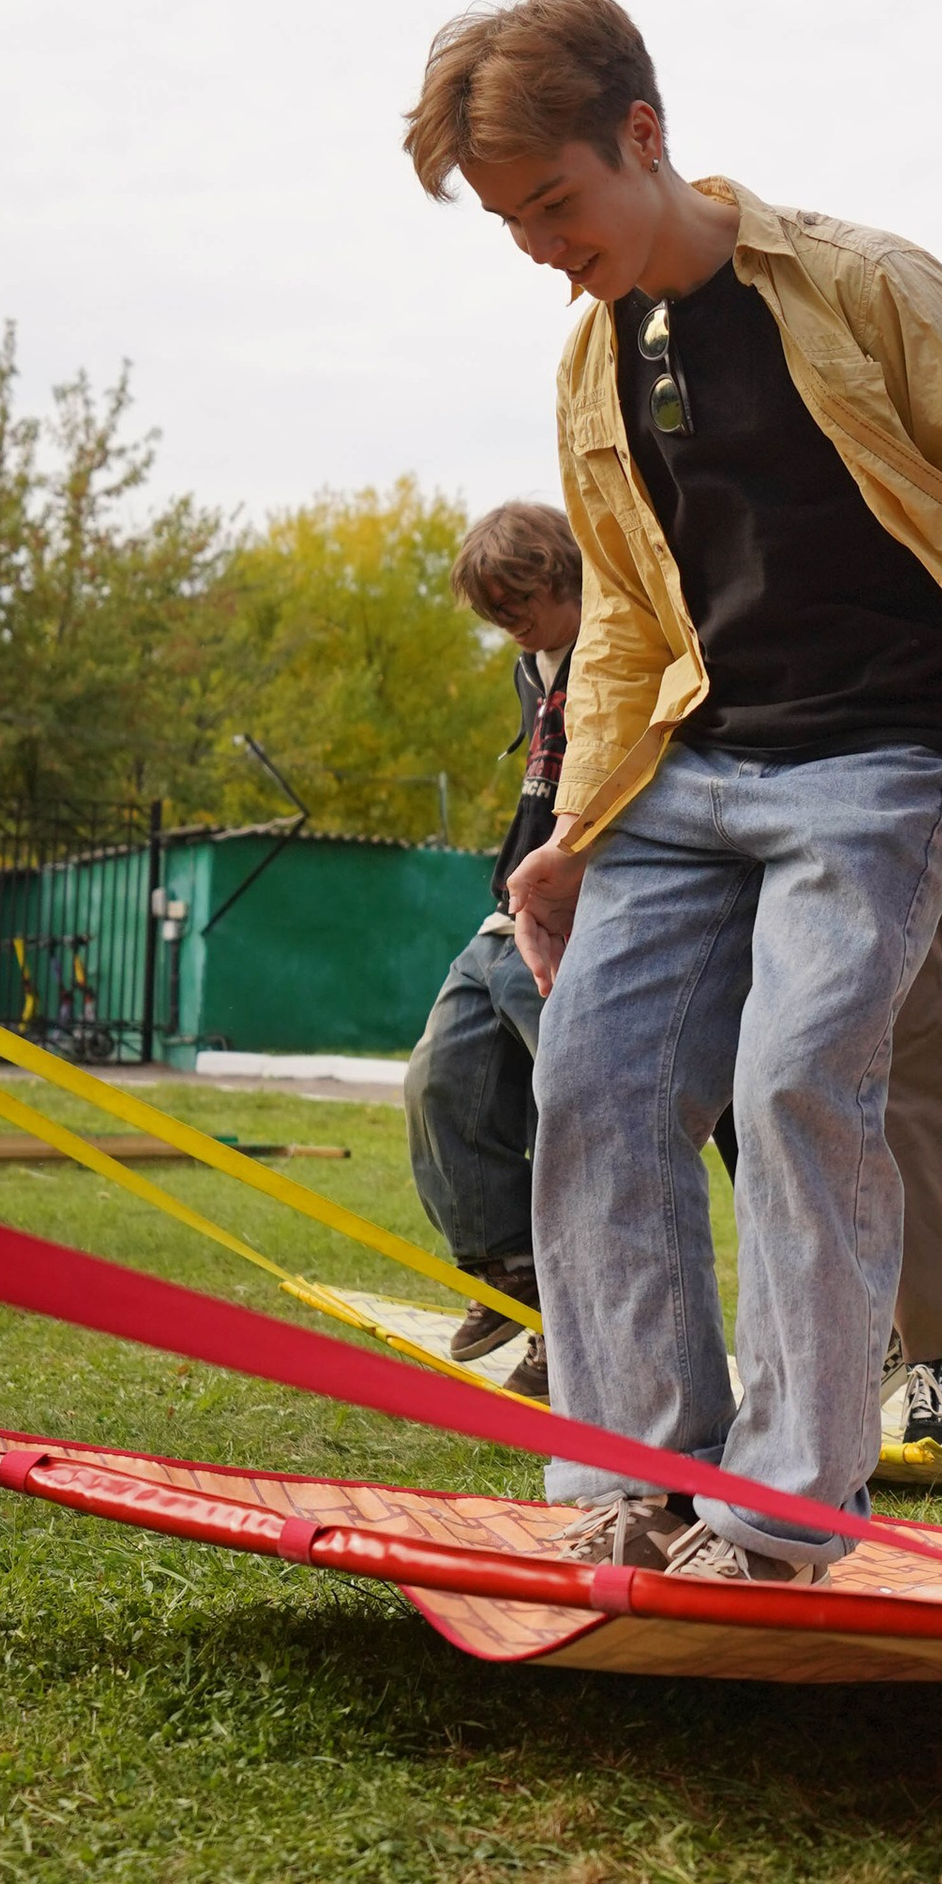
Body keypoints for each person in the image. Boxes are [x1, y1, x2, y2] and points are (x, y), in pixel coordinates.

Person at [402, 0, 942, 1580]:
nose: (535, 245)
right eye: (509, 221)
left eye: (552, 204)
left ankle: (781, 1513)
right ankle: (634, 1475)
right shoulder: (593, 362)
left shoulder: (868, 287)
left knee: (795, 1081)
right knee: (598, 1085)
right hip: (691, 772)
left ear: (643, 135)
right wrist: (573, 830)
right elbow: (633, 615)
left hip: (888, 763)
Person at [402, 501, 942, 1441]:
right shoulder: (628, 555)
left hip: (871, 777)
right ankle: (640, 1406)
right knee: (621, 1091)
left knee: (873, 1085)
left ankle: (934, 1345)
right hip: (700, 803)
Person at [402, 500, 583, 1388]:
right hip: (506, 914)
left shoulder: (619, 650)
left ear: (561, 573)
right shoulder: (532, 665)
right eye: (495, 613)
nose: (508, 624)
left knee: (571, 1117)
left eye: (520, 602)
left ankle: (576, 1321)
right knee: (440, 1078)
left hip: (582, 920)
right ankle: (509, 1269)